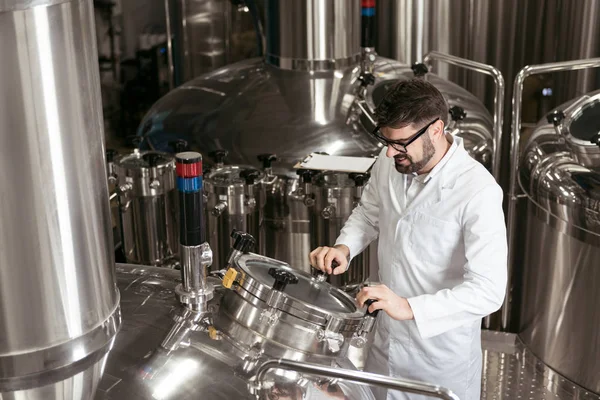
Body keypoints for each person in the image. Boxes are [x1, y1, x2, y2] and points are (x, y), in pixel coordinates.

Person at [309, 78, 507, 400]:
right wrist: (345, 247)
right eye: (385, 140)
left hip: (438, 360)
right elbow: (370, 212)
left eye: (400, 142)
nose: (389, 151)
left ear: (436, 130)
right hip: (383, 344)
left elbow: (488, 291)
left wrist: (408, 307)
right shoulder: (391, 163)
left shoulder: (478, 192)